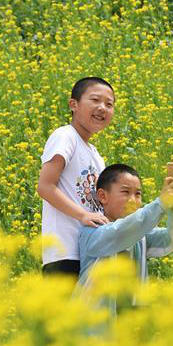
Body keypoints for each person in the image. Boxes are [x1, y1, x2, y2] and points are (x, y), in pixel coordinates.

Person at [76, 164, 173, 315]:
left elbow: (172, 240)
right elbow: (122, 231)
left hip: (129, 328)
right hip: (94, 330)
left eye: (138, 194)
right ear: (103, 196)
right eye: (125, 192)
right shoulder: (93, 231)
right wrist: (161, 204)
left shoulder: (140, 237)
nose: (133, 200)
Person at [37, 77, 115, 278]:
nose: (102, 108)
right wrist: (83, 215)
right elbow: (45, 187)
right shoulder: (65, 136)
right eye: (95, 100)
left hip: (90, 253)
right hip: (65, 254)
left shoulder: (96, 155)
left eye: (109, 104)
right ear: (74, 105)